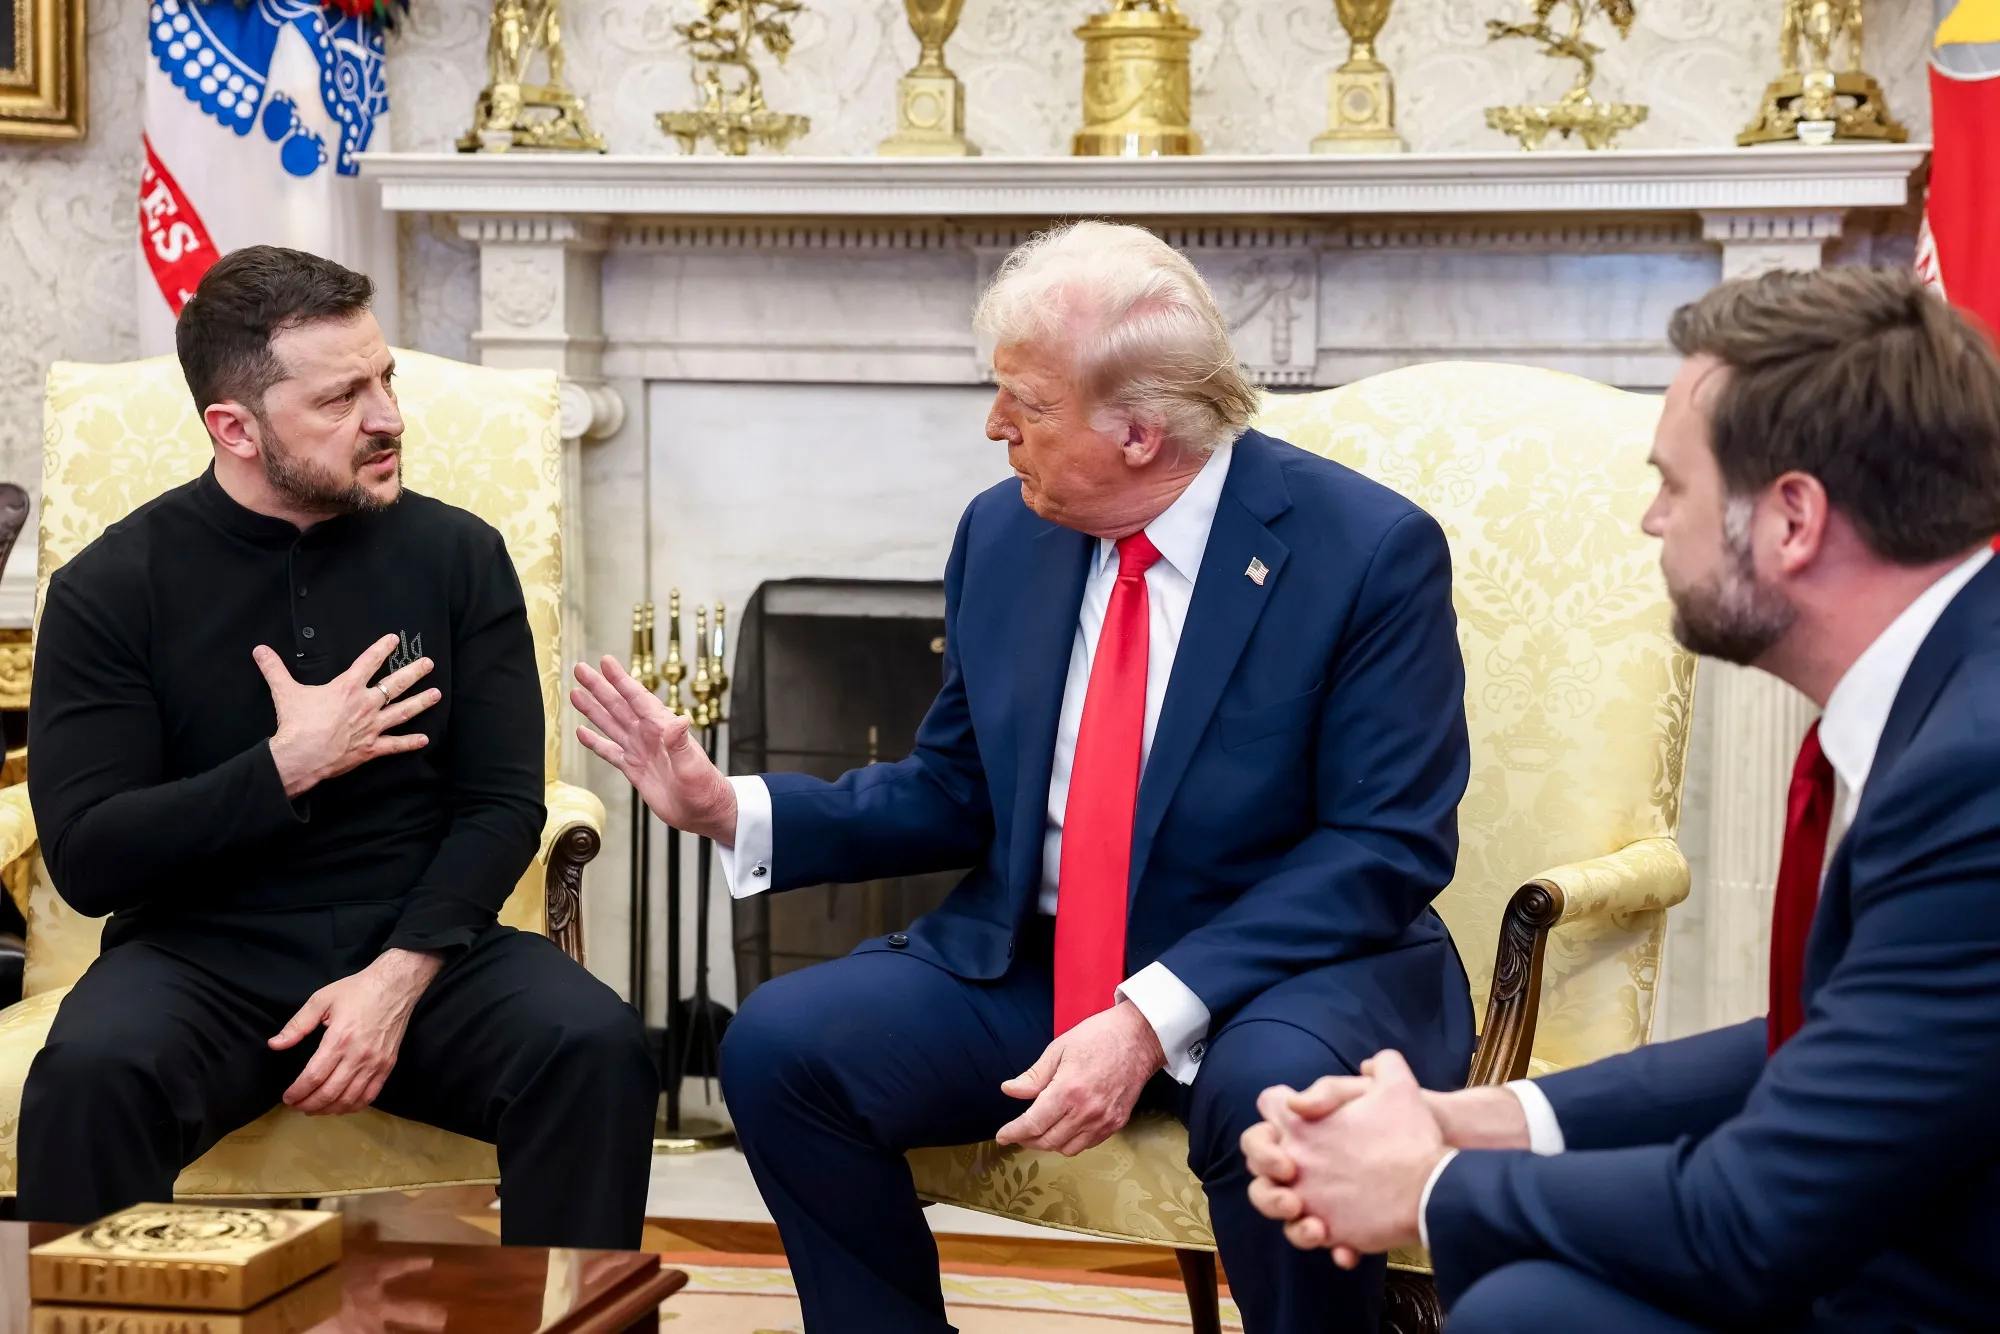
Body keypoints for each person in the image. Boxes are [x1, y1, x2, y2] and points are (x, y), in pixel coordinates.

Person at [572, 220, 1475, 1333]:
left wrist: (1146, 1015)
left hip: (1284, 973)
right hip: (1040, 960)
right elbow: (953, 788)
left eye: (1028, 405)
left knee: (1271, 1104)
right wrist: (728, 804)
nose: (995, 427)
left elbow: (1380, 845)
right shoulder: (1005, 532)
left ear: (1139, 430)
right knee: (781, 1048)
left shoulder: (1364, 550)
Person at [1239, 266, 2000, 1332]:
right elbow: (1818, 1033)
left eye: (1672, 485)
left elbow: (1751, 1218)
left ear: (1790, 518)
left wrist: (1420, 1184)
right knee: (1528, 1300)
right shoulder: (1952, 686)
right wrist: (1488, 1115)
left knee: (1526, 1315)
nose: (1649, 521)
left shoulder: (1971, 774)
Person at [19, 245, 657, 1248]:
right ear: (233, 428)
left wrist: (395, 976)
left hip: (420, 940)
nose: (388, 416)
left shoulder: (459, 554)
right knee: (89, 1078)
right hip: (198, 955)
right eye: (340, 398)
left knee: (592, 1045)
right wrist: (286, 765)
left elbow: (502, 803)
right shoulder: (112, 587)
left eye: (385, 376)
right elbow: (92, 857)